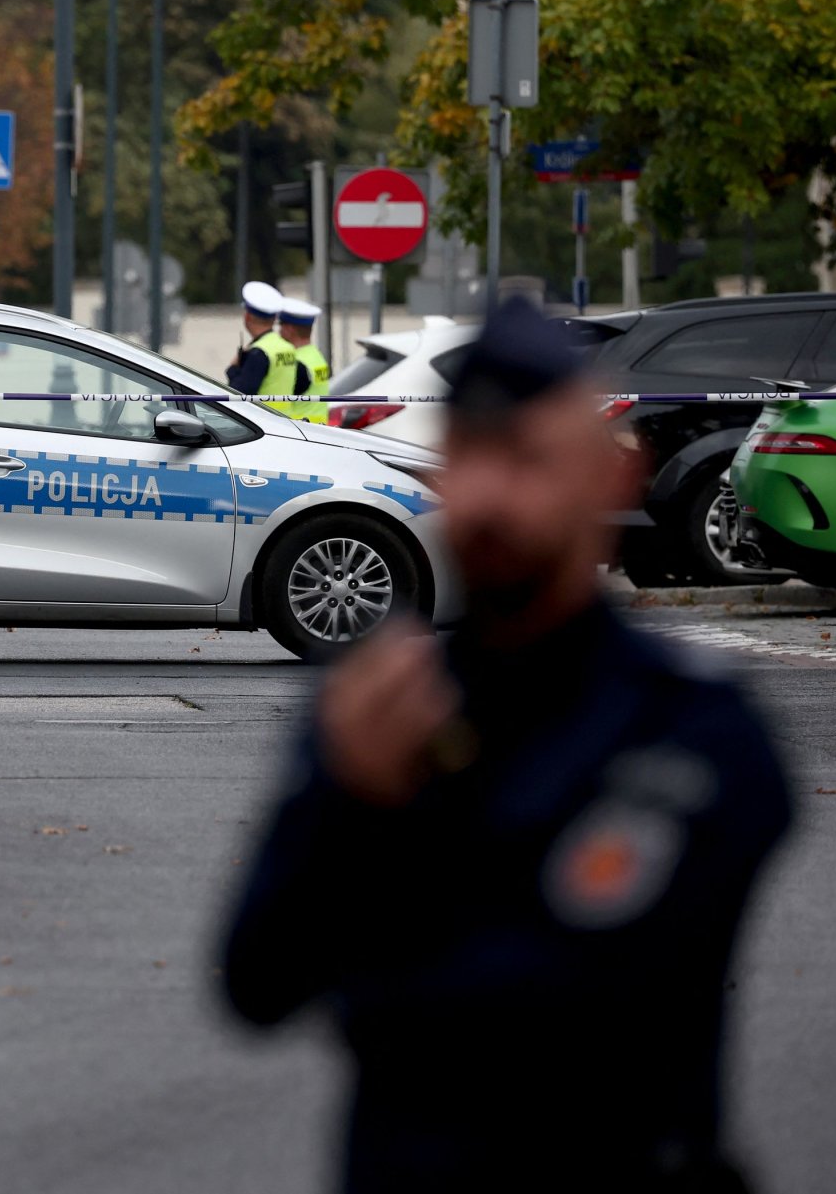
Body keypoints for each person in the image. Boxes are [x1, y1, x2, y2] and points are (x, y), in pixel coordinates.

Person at [219, 296, 792, 1192]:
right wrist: (346, 798)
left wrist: (386, 839)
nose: (489, 495)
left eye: (527, 458)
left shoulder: (691, 726)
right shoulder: (381, 703)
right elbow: (255, 981)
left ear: (611, 477)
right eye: (471, 457)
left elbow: (564, 1003)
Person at [224, 280, 299, 412]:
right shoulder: (287, 347)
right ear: (274, 318)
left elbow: (238, 395)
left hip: (265, 424)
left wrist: (233, 369)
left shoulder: (258, 353)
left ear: (247, 316)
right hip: (286, 422)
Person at [278, 297, 330, 423]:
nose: (279, 331)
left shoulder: (294, 363)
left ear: (289, 330)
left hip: (299, 429)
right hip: (319, 429)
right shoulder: (317, 356)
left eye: (281, 326)